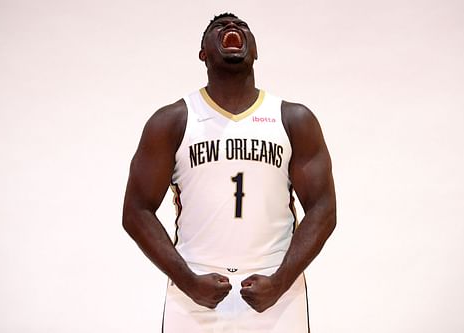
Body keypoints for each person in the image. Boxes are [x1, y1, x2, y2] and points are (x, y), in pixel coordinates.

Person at [122, 12, 336, 333]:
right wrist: (187, 281)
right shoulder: (173, 121)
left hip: (275, 286)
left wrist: (280, 282)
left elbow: (323, 209)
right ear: (203, 54)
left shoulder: (293, 119)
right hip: (195, 287)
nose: (232, 27)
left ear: (255, 51)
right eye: (219, 27)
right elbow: (136, 211)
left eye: (241, 26)